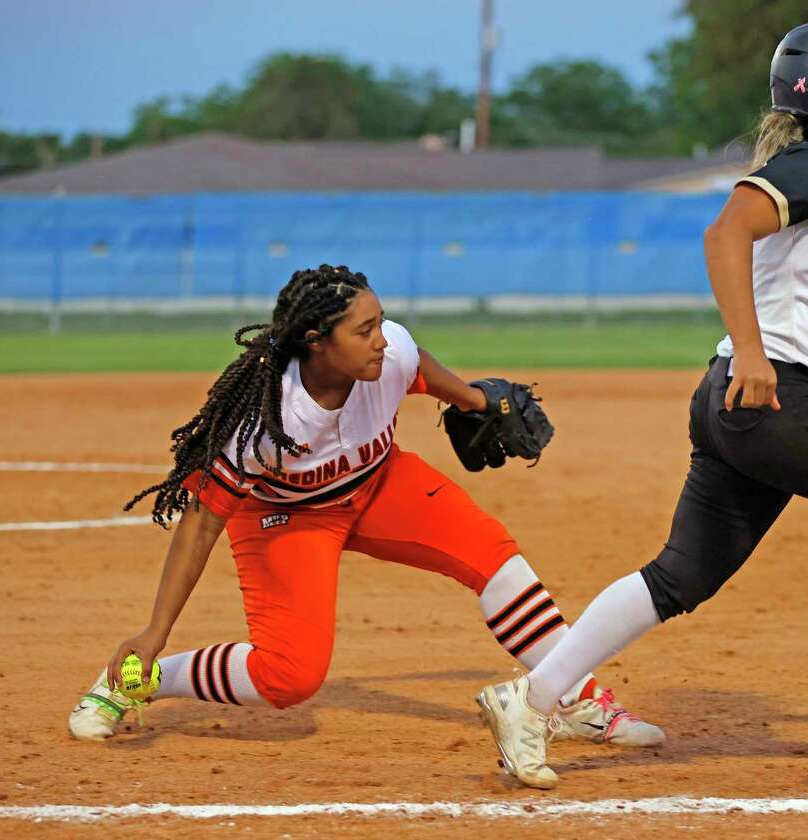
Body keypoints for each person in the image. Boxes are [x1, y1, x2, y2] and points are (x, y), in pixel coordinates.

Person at [475, 20, 808, 789]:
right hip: (774, 393)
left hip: (748, 401)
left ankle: (531, 698)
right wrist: (752, 350)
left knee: (681, 577)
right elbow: (725, 233)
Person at [67, 264, 664, 758]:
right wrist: (154, 632)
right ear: (315, 343)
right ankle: (139, 679)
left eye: (380, 322)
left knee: (492, 555)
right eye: (364, 329)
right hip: (286, 519)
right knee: (290, 676)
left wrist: (478, 399)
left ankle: (574, 697)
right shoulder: (265, 423)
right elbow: (201, 525)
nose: (382, 337)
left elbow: (418, 363)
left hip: (380, 485)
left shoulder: (389, 354)